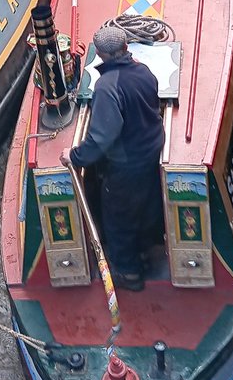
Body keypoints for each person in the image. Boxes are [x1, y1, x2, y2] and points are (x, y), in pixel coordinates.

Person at [62, 24, 164, 290]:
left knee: (118, 216)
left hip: (127, 165)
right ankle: (144, 250)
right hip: (151, 152)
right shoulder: (144, 72)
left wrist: (75, 156)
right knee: (145, 206)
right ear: (126, 48)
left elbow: (101, 137)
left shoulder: (107, 87)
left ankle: (129, 273)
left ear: (100, 54)